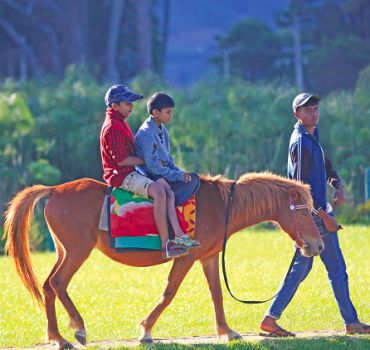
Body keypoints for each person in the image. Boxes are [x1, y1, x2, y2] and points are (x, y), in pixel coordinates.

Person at [260, 93, 370, 337]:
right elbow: (299, 189)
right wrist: (324, 216)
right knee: (334, 267)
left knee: (306, 267)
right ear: (297, 114)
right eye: (308, 110)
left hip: (316, 215)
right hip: (311, 217)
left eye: (315, 108)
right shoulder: (299, 141)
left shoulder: (312, 135)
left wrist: (338, 184)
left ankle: (270, 318)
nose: (314, 113)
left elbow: (326, 165)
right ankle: (351, 322)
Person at [100, 84, 187, 259]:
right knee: (159, 192)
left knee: (166, 190)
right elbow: (121, 160)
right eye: (127, 103)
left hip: (131, 171)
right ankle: (165, 245)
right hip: (121, 175)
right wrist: (148, 161)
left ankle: (178, 235)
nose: (131, 107)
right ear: (114, 106)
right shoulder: (113, 127)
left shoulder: (120, 122)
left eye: (131, 103)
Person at [135, 92, 201, 249]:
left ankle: (179, 234)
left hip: (160, 170)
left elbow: (168, 159)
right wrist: (176, 176)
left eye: (171, 111)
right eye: (168, 112)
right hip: (149, 172)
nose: (171, 115)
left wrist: (179, 173)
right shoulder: (146, 133)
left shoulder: (162, 130)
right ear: (155, 113)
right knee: (169, 193)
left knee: (181, 187)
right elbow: (151, 166)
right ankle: (178, 234)